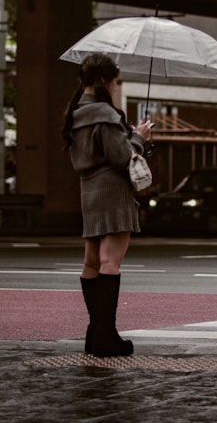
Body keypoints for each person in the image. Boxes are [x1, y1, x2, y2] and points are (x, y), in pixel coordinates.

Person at [62, 53, 152, 357]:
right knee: (111, 260)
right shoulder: (105, 113)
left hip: (88, 188)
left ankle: (95, 330)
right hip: (113, 188)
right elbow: (121, 157)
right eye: (115, 81)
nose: (115, 86)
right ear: (103, 80)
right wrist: (138, 138)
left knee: (91, 261)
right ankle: (106, 334)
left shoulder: (75, 113)